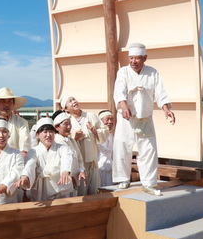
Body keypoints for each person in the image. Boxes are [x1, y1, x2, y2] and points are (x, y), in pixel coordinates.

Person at [112, 43, 175, 196]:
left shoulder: (153, 73)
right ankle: (122, 178)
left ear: (145, 58)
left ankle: (149, 183)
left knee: (149, 150)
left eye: (137, 58)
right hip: (126, 117)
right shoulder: (123, 72)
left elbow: (160, 92)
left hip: (145, 118)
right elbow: (119, 89)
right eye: (131, 58)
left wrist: (166, 108)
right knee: (122, 146)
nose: (134, 61)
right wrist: (124, 105)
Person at [17, 117, 74, 200]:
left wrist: (65, 171)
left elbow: (67, 158)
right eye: (45, 132)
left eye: (51, 132)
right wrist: (25, 176)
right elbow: (30, 165)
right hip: (41, 190)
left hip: (59, 189)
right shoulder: (33, 151)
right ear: (37, 134)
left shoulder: (63, 148)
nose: (48, 135)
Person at [60, 95, 107, 195]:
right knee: (81, 191)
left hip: (92, 160)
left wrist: (95, 131)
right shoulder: (67, 121)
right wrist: (75, 137)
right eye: (70, 101)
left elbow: (104, 130)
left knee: (94, 189)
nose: (74, 101)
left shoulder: (90, 116)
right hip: (78, 163)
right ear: (65, 108)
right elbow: (64, 139)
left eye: (74, 99)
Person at [52, 110, 86, 196]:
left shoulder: (71, 140)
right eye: (65, 124)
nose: (69, 127)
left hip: (74, 181)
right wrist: (69, 176)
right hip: (62, 182)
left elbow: (79, 158)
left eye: (70, 124)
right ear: (56, 127)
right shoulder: (55, 141)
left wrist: (81, 171)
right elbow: (57, 164)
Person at [97, 110, 115, 187]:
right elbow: (105, 150)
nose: (110, 122)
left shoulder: (111, 135)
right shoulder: (98, 134)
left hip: (110, 169)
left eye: (111, 119)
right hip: (100, 169)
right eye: (107, 119)